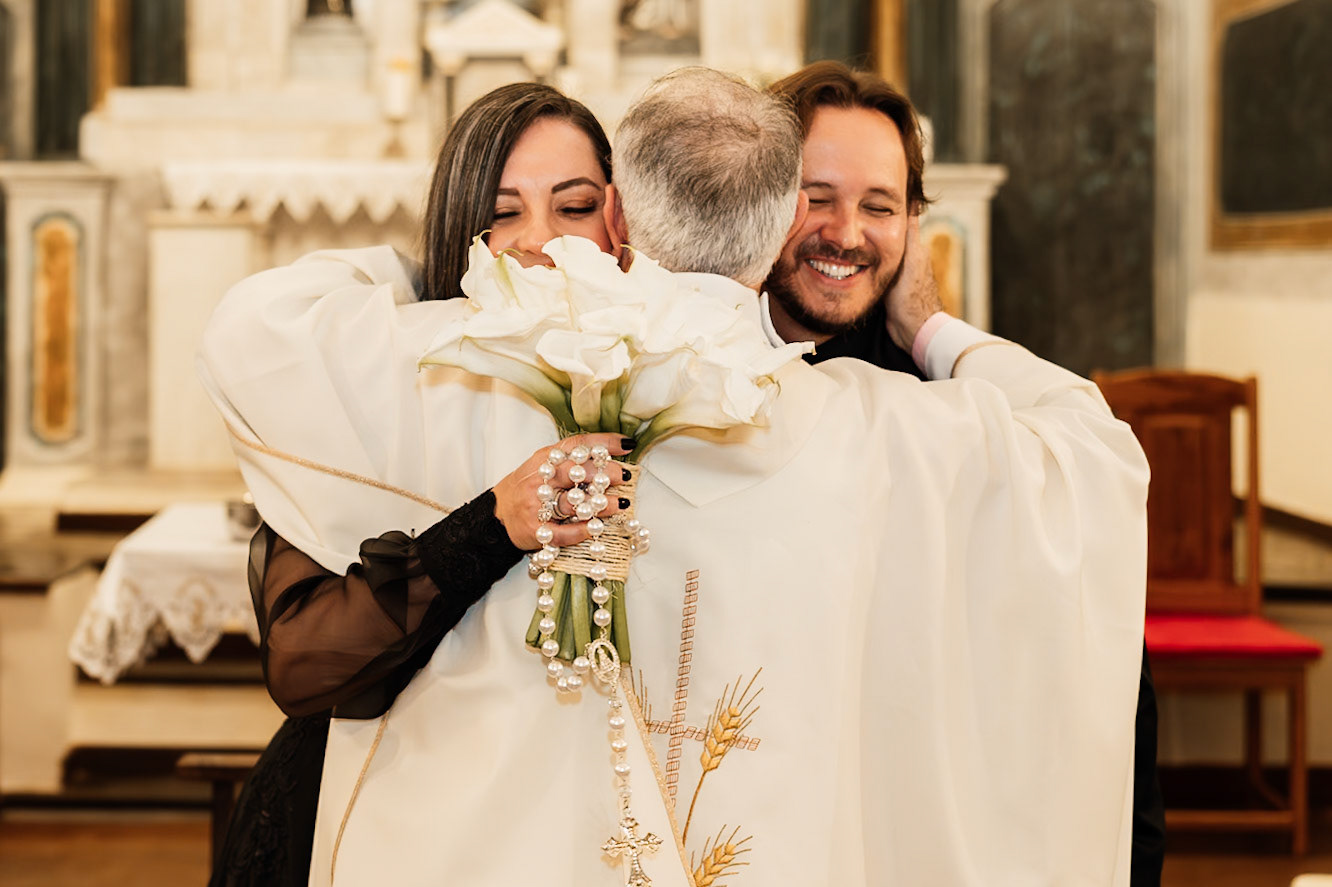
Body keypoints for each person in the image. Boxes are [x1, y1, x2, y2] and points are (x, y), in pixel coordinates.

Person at [203, 67, 1148, 885]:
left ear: (616, 215)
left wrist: (462, 290)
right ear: (784, 221)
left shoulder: (474, 375)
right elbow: (1092, 443)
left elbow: (258, 328)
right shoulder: (882, 426)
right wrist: (930, 326)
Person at [204, 82, 635, 887]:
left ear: (619, 226)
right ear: (458, 227)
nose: (539, 240)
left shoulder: (655, 385)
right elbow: (304, 666)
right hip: (373, 810)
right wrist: (490, 525)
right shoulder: (377, 388)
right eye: (502, 213)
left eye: (573, 207)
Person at [761, 61, 1165, 887]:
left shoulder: (957, 398)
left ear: (914, 224)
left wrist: (927, 324)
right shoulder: (678, 381)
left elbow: (1094, 643)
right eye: (815, 195)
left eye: (880, 206)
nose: (846, 232)